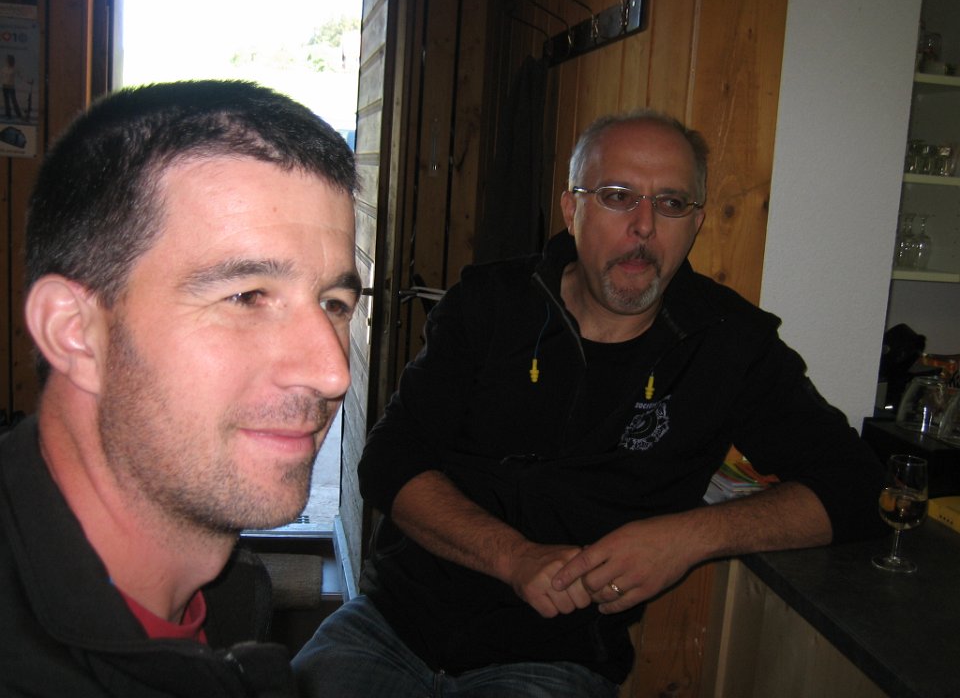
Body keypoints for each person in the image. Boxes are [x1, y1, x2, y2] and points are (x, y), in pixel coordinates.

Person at [292, 109, 886, 698]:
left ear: (696, 222)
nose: (644, 226)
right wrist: (516, 559)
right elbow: (391, 460)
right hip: (392, 624)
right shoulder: (488, 304)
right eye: (617, 197)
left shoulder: (731, 344)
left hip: (553, 660)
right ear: (572, 209)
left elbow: (855, 485)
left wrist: (687, 538)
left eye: (672, 203)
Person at [0, 80, 361, 697]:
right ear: (74, 332)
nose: (332, 371)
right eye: (246, 296)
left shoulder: (222, 596)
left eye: (334, 303)